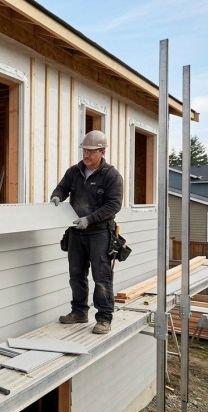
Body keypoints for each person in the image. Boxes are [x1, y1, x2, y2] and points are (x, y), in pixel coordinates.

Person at [51, 130, 123, 334]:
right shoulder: (74, 171)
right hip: (76, 231)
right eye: (84, 151)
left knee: (101, 276)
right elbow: (62, 188)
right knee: (76, 273)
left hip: (99, 232)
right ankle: (79, 312)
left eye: (91, 152)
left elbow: (113, 205)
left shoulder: (111, 175)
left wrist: (89, 219)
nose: (86, 156)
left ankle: (104, 318)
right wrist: (57, 196)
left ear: (102, 151)